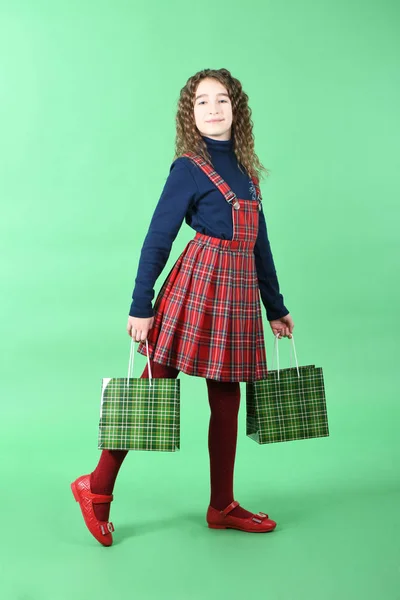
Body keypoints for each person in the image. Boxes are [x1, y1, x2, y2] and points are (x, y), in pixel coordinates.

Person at [71, 68, 294, 546]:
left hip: (236, 295)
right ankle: (96, 487)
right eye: (201, 102)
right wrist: (140, 303)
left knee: (227, 398)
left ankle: (222, 506)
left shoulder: (247, 173)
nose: (213, 109)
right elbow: (158, 237)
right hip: (196, 288)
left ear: (237, 108)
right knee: (154, 387)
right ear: (190, 115)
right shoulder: (188, 168)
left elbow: (260, 244)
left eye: (221, 100)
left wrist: (275, 306)